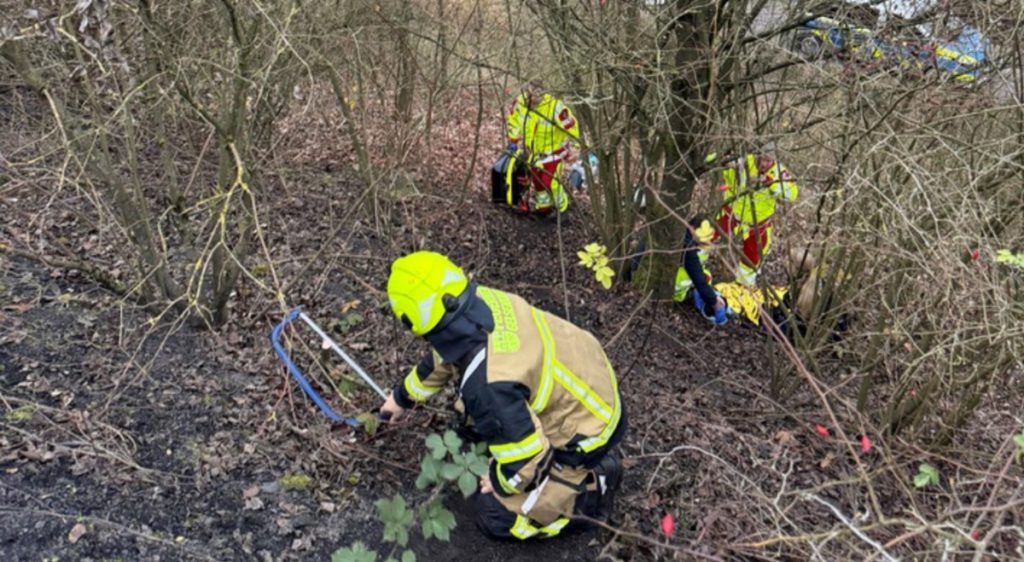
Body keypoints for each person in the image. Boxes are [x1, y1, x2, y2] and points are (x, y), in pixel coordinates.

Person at [379, 251, 626, 540]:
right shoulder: (480, 301)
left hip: (588, 429)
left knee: (497, 517)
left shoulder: (487, 385)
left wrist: (498, 481)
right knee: (482, 419)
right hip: (586, 377)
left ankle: (592, 489)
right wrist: (401, 398)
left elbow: (528, 460)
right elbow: (444, 356)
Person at [709, 150, 798, 286]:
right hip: (732, 212)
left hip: (758, 223)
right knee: (705, 236)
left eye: (768, 161)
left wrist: (770, 182)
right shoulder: (744, 160)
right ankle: (692, 268)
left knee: (753, 259)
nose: (764, 164)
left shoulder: (779, 172)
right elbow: (710, 161)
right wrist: (726, 162)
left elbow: (792, 194)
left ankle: (743, 288)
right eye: (762, 159)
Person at [503, 81, 580, 215]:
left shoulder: (555, 108)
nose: (532, 99)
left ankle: (563, 210)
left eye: (536, 95)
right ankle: (544, 208)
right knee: (537, 181)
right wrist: (513, 140)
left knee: (550, 182)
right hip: (534, 152)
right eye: (530, 94)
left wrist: (577, 146)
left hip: (554, 152)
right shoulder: (520, 103)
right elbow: (514, 121)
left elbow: (572, 127)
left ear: (543, 94)